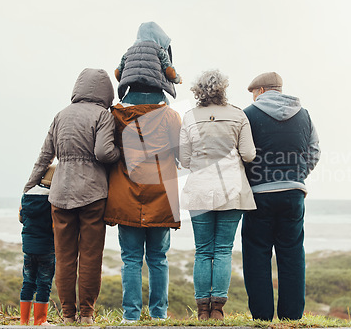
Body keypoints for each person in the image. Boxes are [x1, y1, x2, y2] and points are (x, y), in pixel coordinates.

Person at [23, 68, 120, 324]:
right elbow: (103, 153)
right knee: (90, 255)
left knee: (64, 256)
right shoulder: (103, 115)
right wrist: (118, 155)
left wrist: (27, 189)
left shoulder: (61, 116)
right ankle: (87, 314)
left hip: (60, 194)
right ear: (106, 92)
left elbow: (44, 157)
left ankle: (67, 314)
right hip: (93, 194)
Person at [242, 72, 320, 321]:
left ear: (261, 91)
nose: (253, 98)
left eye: (254, 93)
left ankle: (262, 318)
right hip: (293, 193)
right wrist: (298, 174)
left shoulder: (249, 114)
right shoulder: (304, 114)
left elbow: (241, 154)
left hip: (259, 195)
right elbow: (315, 151)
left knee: (256, 255)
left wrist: (251, 178)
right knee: (292, 254)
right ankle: (291, 317)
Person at [179, 70, 256, 320]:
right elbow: (249, 154)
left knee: (202, 250)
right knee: (223, 249)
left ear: (197, 90)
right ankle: (218, 311)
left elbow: (185, 159)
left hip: (199, 188)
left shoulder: (189, 117)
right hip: (231, 189)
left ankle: (202, 310)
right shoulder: (238, 115)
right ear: (223, 88)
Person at [104, 78, 181, 322]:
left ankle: (131, 315)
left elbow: (108, 150)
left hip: (126, 193)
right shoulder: (170, 116)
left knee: (130, 258)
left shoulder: (116, 116)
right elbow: (181, 152)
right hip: (160, 194)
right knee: (159, 258)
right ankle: (159, 315)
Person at [19, 165, 56, 326]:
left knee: (28, 282)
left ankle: (24, 320)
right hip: (46, 248)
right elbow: (56, 225)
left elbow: (21, 218)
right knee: (43, 283)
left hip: (28, 247)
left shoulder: (26, 196)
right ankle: (40, 320)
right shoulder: (53, 199)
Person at [115, 21, 182, 105]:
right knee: (166, 113)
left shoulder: (129, 52)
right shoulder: (159, 50)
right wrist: (178, 79)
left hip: (133, 94)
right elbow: (169, 71)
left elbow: (118, 73)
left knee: (125, 114)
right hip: (155, 95)